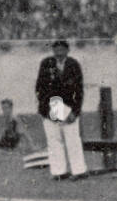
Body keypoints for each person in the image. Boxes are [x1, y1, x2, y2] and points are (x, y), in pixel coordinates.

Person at [35, 39, 87, 180]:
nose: (59, 53)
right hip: (51, 107)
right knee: (54, 140)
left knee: (72, 139)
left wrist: (75, 112)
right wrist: (48, 108)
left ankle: (78, 170)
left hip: (69, 107)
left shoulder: (73, 65)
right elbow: (40, 88)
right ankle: (59, 172)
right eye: (56, 50)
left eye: (62, 49)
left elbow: (79, 90)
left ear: (67, 50)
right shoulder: (46, 64)